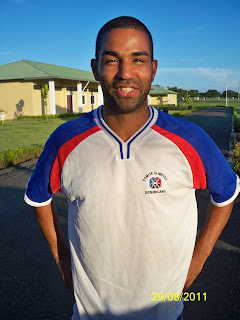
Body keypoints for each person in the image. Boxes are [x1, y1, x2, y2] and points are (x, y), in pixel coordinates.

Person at [24, 16, 240, 320]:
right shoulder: (66, 140)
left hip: (165, 313)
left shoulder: (189, 139)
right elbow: (37, 198)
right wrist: (63, 262)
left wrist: (198, 260)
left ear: (153, 68)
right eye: (112, 59)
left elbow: (226, 193)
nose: (125, 73)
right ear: (95, 67)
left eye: (138, 59)